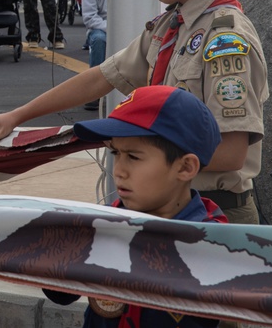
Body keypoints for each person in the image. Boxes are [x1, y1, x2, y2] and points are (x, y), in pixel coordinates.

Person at [0, 0, 267, 225]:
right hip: (169, 205)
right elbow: (102, 76)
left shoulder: (225, 40)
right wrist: (18, 115)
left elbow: (230, 153)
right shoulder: (172, 24)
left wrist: (143, 154)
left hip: (215, 213)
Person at [42, 85, 226, 328]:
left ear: (185, 168)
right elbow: (63, 294)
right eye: (116, 153)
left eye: (134, 157)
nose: (118, 171)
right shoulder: (103, 225)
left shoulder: (216, 245)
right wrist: (55, 253)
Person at [81, 0, 109, 110]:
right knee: (99, 39)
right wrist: (111, 29)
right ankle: (93, 92)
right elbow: (90, 18)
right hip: (99, 29)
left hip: (108, 26)